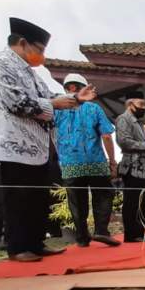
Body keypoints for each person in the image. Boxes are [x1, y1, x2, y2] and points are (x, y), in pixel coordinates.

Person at [0, 18, 95, 262]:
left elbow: (49, 96)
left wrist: (76, 98)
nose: (42, 55)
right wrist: (54, 104)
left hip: (37, 144)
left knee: (38, 196)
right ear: (23, 43)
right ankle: (18, 246)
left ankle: (35, 242)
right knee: (19, 196)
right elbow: (16, 102)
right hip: (12, 141)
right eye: (41, 49)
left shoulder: (29, 71)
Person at [54, 73, 120, 248]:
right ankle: (101, 231)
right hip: (95, 161)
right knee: (104, 193)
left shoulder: (57, 109)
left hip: (69, 163)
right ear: (80, 88)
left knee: (76, 200)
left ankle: (82, 237)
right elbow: (106, 135)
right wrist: (112, 161)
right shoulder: (94, 108)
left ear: (67, 87)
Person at [116, 94, 145, 242]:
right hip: (133, 167)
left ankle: (141, 232)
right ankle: (131, 235)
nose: (143, 108)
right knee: (132, 202)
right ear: (130, 104)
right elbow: (124, 142)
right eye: (141, 104)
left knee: (143, 203)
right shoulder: (123, 119)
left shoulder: (139, 123)